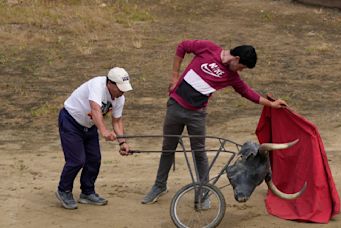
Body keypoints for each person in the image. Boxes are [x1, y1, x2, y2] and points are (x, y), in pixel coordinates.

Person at [142, 40, 287, 205]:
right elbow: (182, 46)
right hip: (175, 106)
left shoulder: (232, 76)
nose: (241, 71)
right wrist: (175, 76)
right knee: (168, 148)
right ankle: (159, 186)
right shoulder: (208, 48)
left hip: (197, 115)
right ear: (236, 58)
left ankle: (203, 192)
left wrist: (271, 104)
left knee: (199, 153)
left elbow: (246, 92)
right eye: (242, 67)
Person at [56, 67, 133, 209]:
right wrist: (104, 131)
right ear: (110, 83)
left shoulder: (120, 98)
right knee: (77, 160)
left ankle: (87, 192)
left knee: (94, 159)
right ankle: (63, 190)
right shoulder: (97, 85)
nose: (122, 92)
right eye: (120, 88)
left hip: (90, 126)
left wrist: (122, 142)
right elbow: (95, 109)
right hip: (70, 121)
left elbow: (117, 121)